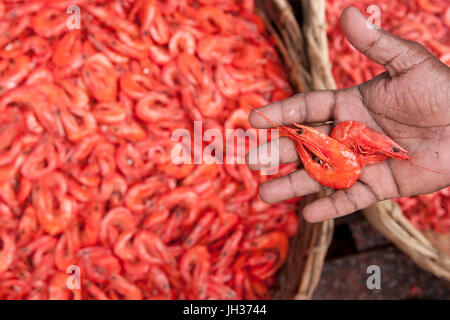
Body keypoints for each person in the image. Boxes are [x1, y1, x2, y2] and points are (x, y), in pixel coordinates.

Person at [246, 7, 450, 223]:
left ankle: (304, 142)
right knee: (306, 139)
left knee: (308, 140)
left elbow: (350, 151)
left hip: (342, 161)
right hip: (342, 158)